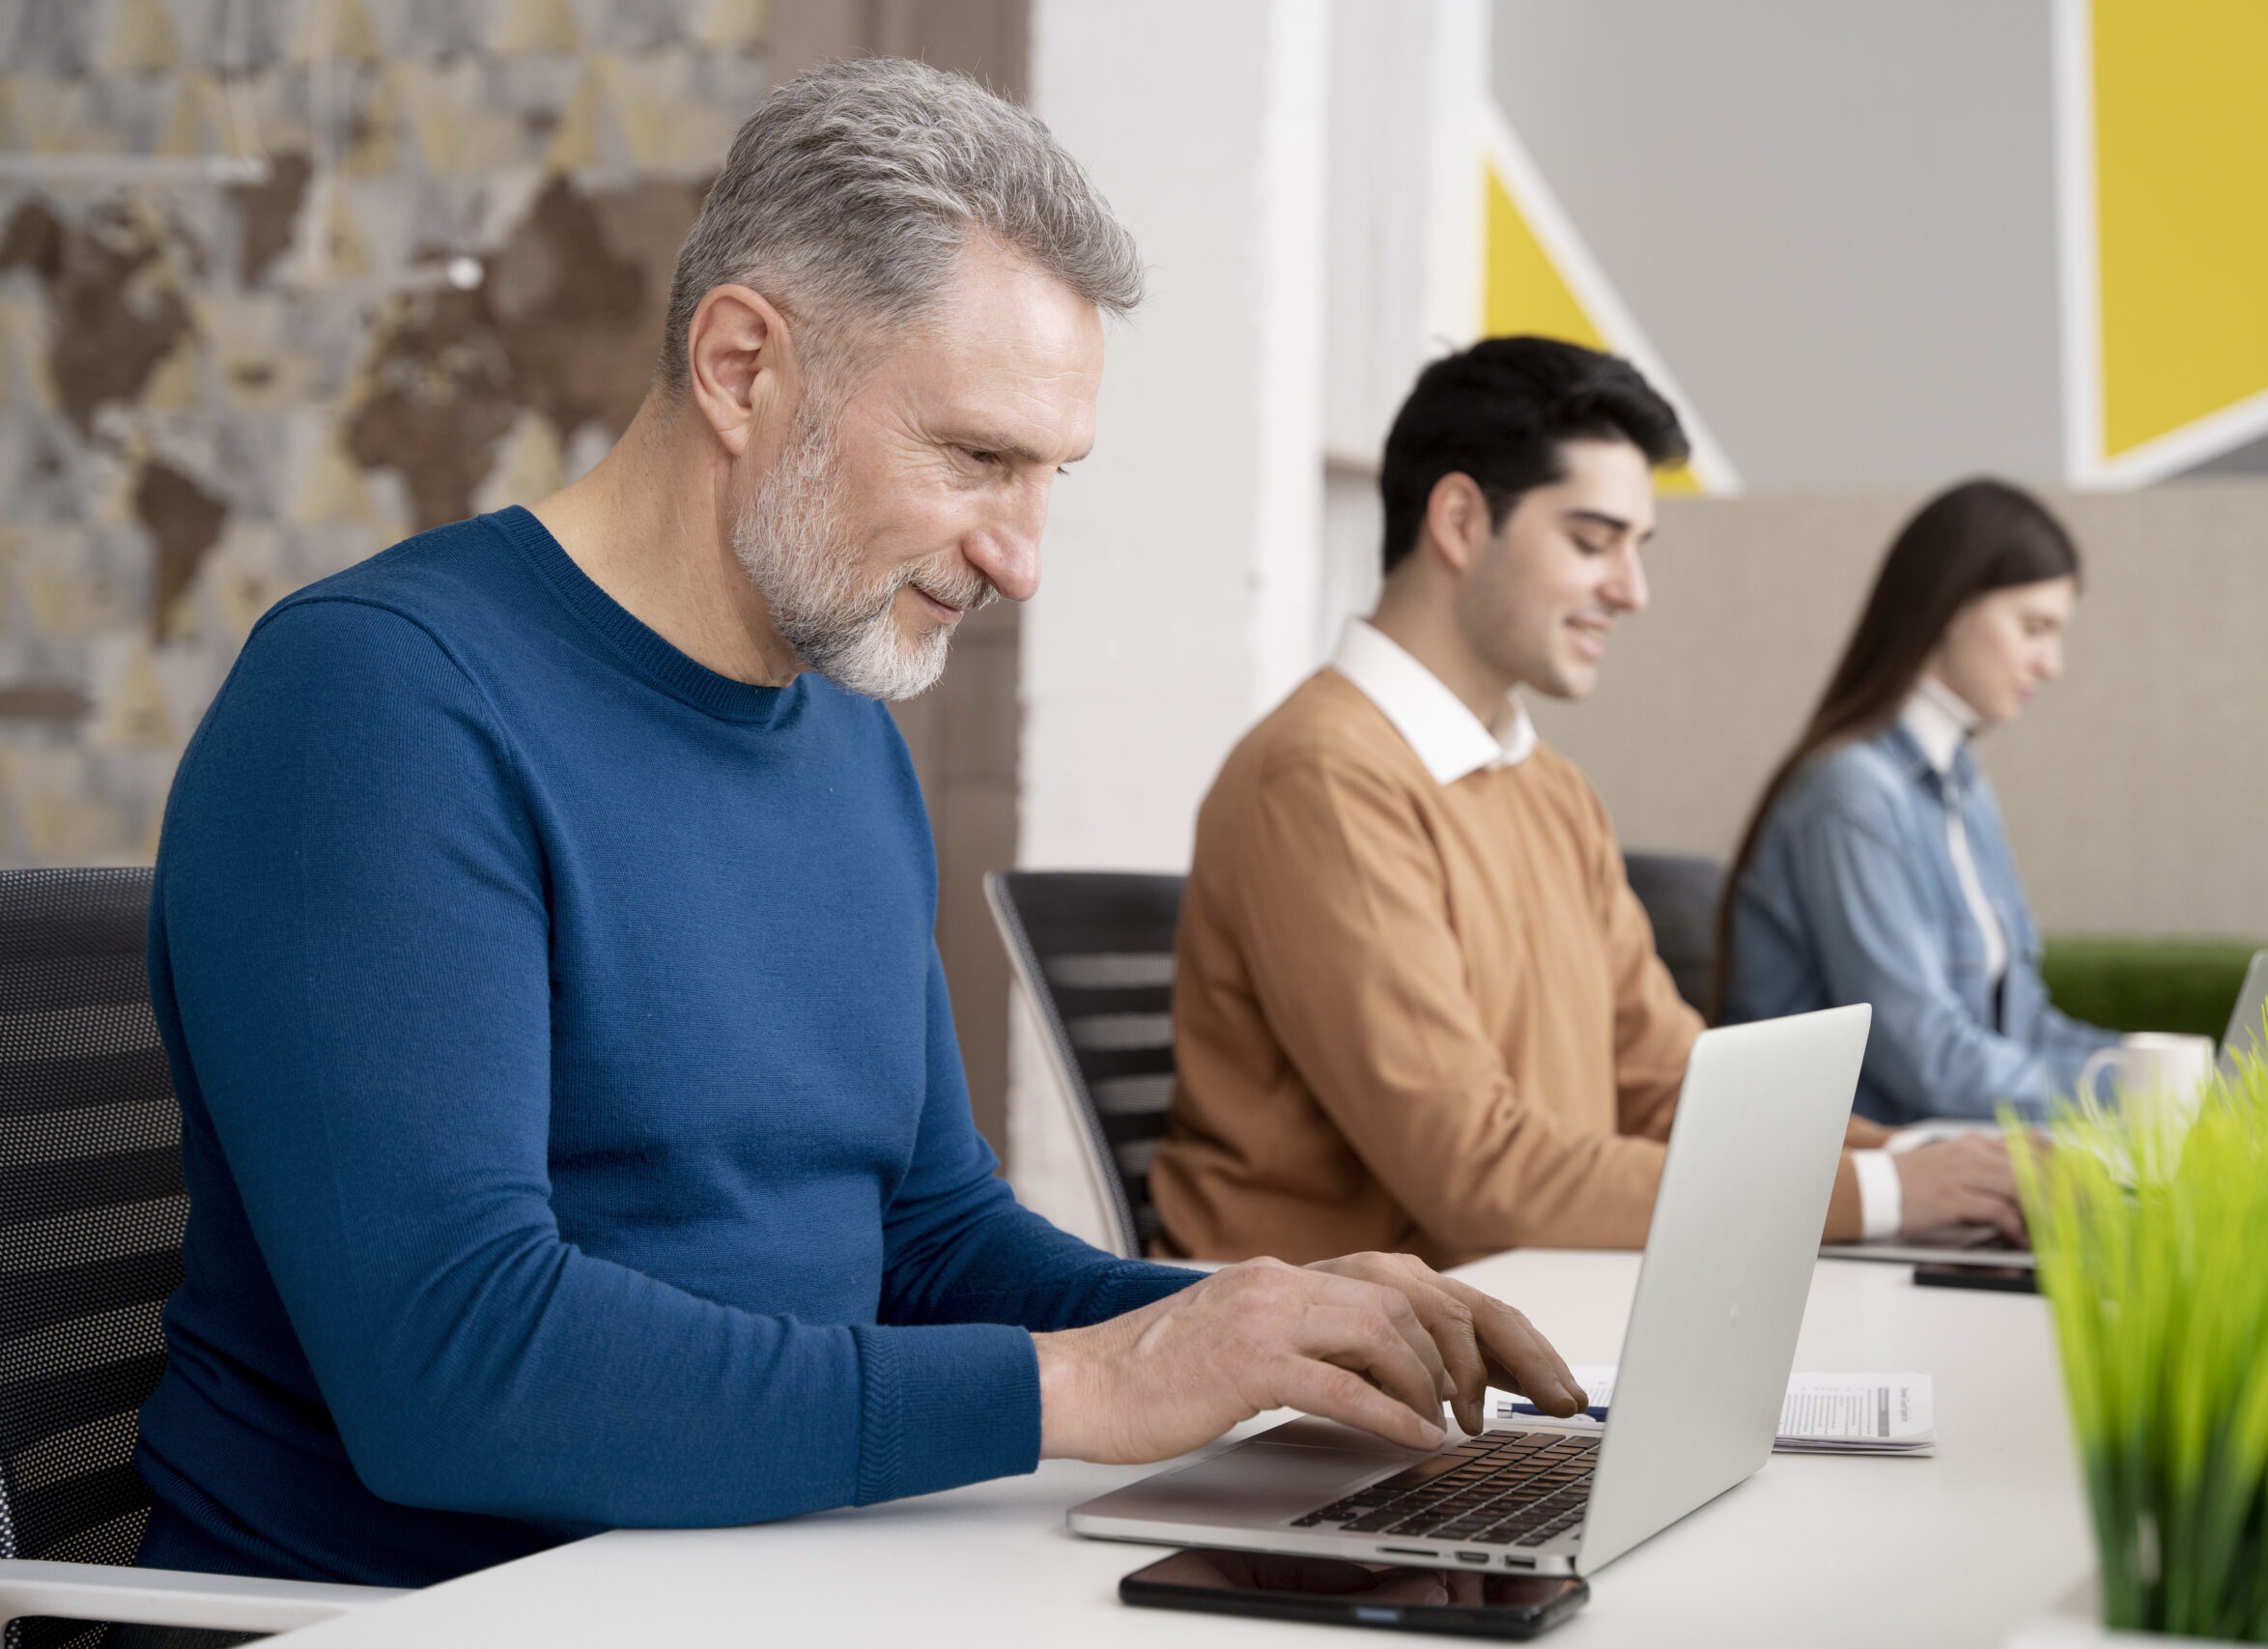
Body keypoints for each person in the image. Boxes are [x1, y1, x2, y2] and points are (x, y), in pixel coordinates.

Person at [132, 60, 1582, 1592]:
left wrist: (1244, 1323)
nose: (1022, 560)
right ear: (744, 366)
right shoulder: (377, 703)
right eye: (976, 457)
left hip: (775, 1570)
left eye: (1051, 478)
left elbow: (931, 1237)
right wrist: (1087, 1389)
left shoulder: (845, 734)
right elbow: (460, 1365)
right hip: (417, 1611)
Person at [1149, 339, 2025, 1270]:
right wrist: (1884, 1195)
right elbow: (1476, 1172)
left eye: (1636, 549)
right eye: (1592, 540)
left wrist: (1937, 1164)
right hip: (1326, 1363)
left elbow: (1664, 1086)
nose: (1632, 591)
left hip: (1528, 1312)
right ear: (1458, 520)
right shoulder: (1323, 776)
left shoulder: (1552, 790)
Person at [1719, 478, 2120, 1124]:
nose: (2053, 663)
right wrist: (2133, 1097)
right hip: (1858, 1181)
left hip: (1951, 1159)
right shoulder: (1850, 794)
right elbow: (1925, 1060)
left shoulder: (1961, 785)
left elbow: (2023, 1029)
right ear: (1948, 607)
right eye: (2034, 627)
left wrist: (2160, 1068)